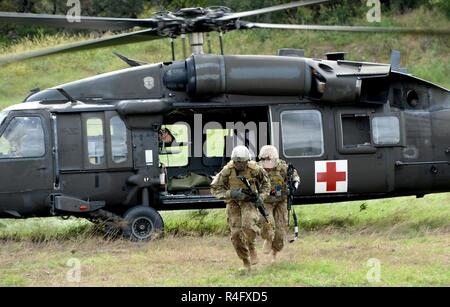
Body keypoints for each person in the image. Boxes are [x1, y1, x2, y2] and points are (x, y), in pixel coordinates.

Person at [211, 146, 270, 272]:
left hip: (249, 202)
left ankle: (252, 247)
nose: (239, 164)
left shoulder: (255, 170)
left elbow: (266, 184)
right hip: (233, 203)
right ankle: (245, 261)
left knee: (248, 226)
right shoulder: (227, 170)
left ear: (247, 161)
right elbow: (215, 188)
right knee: (236, 234)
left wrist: (261, 197)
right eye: (236, 162)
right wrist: (231, 194)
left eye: (241, 162)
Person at [258, 145, 300, 262]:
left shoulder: (283, 167)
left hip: (281, 200)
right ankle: (268, 238)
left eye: (270, 160)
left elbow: (295, 177)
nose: (267, 163)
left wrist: (294, 186)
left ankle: (274, 254)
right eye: (264, 160)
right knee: (267, 223)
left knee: (281, 230)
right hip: (266, 201)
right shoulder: (257, 169)